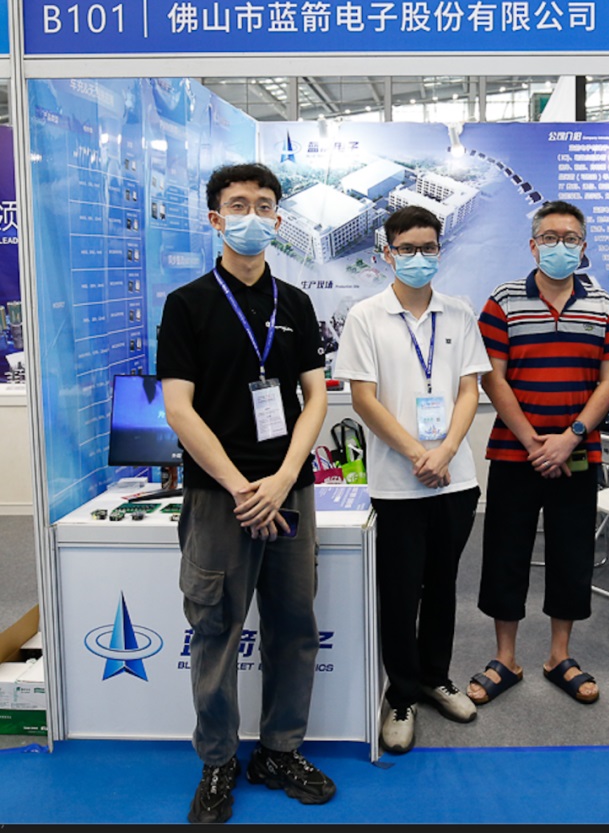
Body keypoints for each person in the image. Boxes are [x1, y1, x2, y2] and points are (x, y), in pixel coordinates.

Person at [158, 163, 335, 824]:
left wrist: (284, 478)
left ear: (279, 220)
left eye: (264, 205)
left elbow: (316, 396)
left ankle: (280, 750)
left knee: (294, 626)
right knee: (216, 630)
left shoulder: (297, 303)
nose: (252, 215)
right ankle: (218, 760)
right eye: (238, 204)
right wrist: (240, 487)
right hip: (219, 496)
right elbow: (179, 408)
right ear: (215, 218)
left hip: (290, 489)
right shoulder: (188, 304)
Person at [333, 205, 491, 754]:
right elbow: (362, 398)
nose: (419, 257)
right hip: (397, 483)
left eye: (429, 247)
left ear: (439, 251)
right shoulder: (366, 316)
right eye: (408, 248)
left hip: (454, 479)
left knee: (443, 587)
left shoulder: (458, 312)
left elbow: (470, 389)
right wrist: (418, 453)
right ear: (387, 253)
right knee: (400, 593)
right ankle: (401, 694)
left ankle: (434, 676)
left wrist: (444, 451)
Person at [468, 200, 609, 705]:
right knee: (506, 553)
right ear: (533, 245)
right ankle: (506, 657)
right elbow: (492, 377)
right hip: (514, 452)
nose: (562, 246)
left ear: (584, 247)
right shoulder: (502, 301)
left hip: (577, 454)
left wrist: (570, 437)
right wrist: (533, 439)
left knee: (571, 553)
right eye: (551, 237)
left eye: (571, 238)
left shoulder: (604, 306)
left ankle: (560, 655)